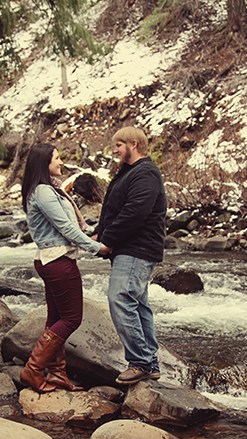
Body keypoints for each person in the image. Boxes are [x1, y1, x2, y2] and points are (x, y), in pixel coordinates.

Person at [20, 143, 110, 392]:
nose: (61, 162)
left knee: (56, 318)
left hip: (51, 259)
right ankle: (34, 369)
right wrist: (96, 248)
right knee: (71, 319)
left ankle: (57, 372)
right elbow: (66, 229)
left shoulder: (47, 190)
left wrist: (91, 236)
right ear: (44, 164)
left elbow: (71, 226)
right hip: (58, 261)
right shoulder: (45, 192)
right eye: (56, 158)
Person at [95, 126, 168, 385]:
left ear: (134, 144)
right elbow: (115, 210)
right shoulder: (130, 173)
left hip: (137, 249)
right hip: (131, 248)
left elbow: (135, 212)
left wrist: (108, 240)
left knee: (120, 299)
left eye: (119, 145)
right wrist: (98, 233)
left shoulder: (145, 172)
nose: (114, 150)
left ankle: (140, 362)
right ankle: (150, 362)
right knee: (138, 305)